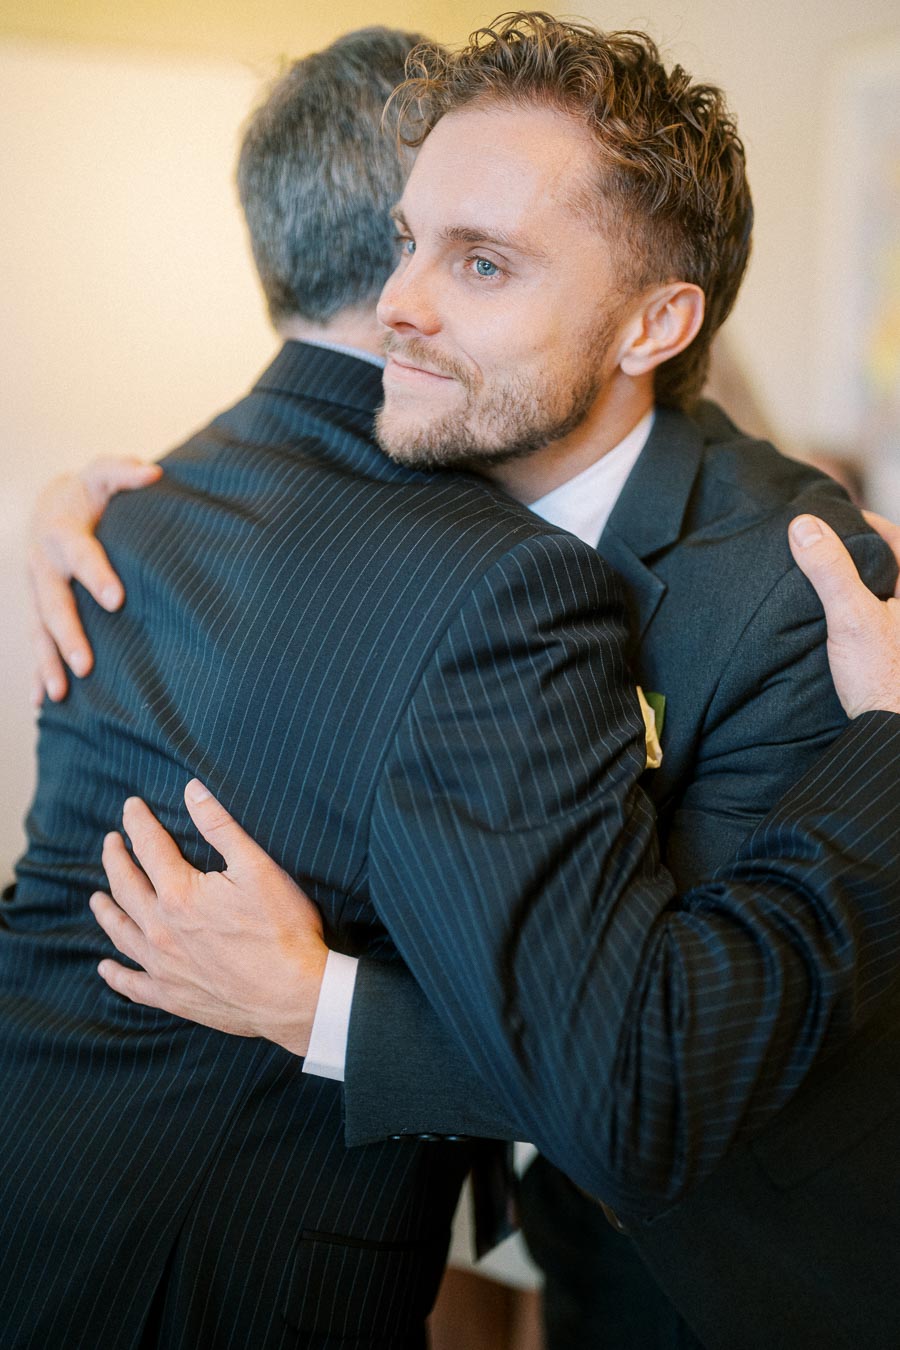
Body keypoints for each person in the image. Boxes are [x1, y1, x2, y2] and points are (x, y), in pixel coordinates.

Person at [25, 14, 900, 1350]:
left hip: (768, 1276)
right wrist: (77, 503)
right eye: (406, 241)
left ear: (654, 323)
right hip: (581, 1261)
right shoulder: (446, 457)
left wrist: (308, 999)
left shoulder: (800, 584)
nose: (397, 307)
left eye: (481, 263)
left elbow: (662, 1051)